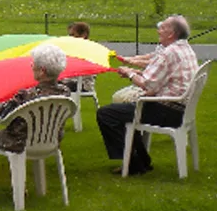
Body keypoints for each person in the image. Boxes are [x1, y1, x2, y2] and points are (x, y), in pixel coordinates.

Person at [96, 15, 198, 175]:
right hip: (180, 110)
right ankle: (140, 161)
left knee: (106, 114)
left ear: (172, 33)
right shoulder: (186, 49)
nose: (159, 30)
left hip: (166, 111)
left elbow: (148, 84)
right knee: (124, 111)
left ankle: (134, 163)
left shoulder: (168, 53)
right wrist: (134, 72)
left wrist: (130, 74)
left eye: (163, 28)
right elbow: (159, 77)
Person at [0, 44, 70, 198]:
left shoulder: (27, 95)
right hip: (51, 141)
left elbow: (1, 113)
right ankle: (22, 186)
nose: (31, 66)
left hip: (18, 142)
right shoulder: (65, 92)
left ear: (42, 71)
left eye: (33, 64)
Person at [62, 21, 95, 93]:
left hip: (83, 84)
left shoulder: (88, 49)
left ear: (83, 35)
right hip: (72, 81)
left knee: (58, 87)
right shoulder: (72, 49)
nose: (70, 38)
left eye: (73, 35)